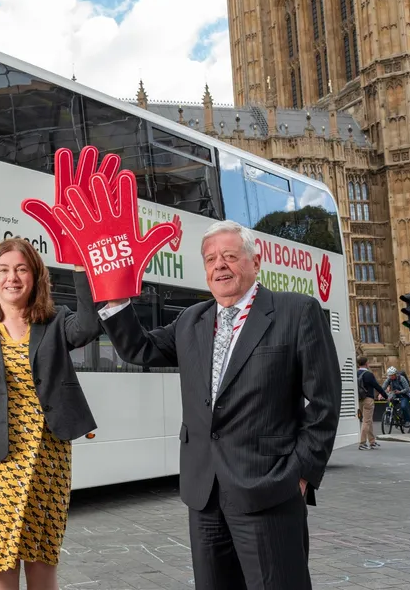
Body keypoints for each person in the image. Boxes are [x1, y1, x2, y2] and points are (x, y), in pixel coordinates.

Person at [96, 220, 341, 590]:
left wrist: (300, 473)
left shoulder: (296, 311)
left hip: (269, 487)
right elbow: (139, 348)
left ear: (255, 262)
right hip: (204, 493)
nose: (219, 265)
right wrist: (115, 298)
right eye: (210, 259)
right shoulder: (192, 320)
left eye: (230, 256)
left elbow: (325, 400)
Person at [0, 238, 100, 590]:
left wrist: (81, 269)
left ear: (35, 276)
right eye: (3, 270)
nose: (12, 278)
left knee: (42, 562)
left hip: (48, 460)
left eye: (21, 269)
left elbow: (89, 326)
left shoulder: (55, 321)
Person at [356, 356, 387, 450]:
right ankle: (362, 443)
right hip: (368, 399)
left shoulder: (355, 373)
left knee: (369, 420)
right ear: (366, 363)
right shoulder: (368, 374)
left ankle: (372, 441)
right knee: (366, 421)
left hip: (359, 400)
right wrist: (386, 396)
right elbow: (377, 386)